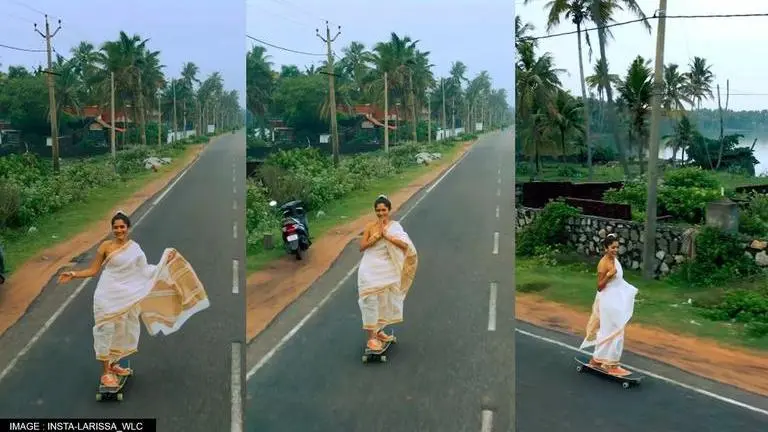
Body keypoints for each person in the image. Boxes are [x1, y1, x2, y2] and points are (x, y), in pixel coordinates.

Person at [57, 210, 210, 387]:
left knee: (121, 329)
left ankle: (113, 365)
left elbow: (145, 271)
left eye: (122, 227)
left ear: (128, 228)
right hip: (106, 295)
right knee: (105, 330)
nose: (119, 230)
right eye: (115, 227)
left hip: (126, 296)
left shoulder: (135, 249)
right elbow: (93, 270)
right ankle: (105, 373)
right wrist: (74, 274)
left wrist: (163, 263)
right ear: (112, 229)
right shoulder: (105, 246)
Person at [357, 195, 418, 351]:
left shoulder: (395, 227)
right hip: (369, 269)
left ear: (389, 210)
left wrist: (387, 236)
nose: (381, 213)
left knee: (385, 299)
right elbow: (362, 247)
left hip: (387, 269)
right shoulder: (370, 226)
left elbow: (405, 246)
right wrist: (376, 237)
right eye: (378, 210)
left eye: (384, 210)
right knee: (370, 301)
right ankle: (371, 338)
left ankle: (378, 331)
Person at [579, 233, 638, 376]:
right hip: (608, 300)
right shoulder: (603, 263)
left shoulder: (614, 260)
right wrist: (608, 275)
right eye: (612, 247)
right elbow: (599, 286)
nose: (616, 250)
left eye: (617, 247)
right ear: (606, 248)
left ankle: (597, 359)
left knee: (609, 330)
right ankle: (611, 364)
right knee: (616, 331)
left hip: (616, 299)